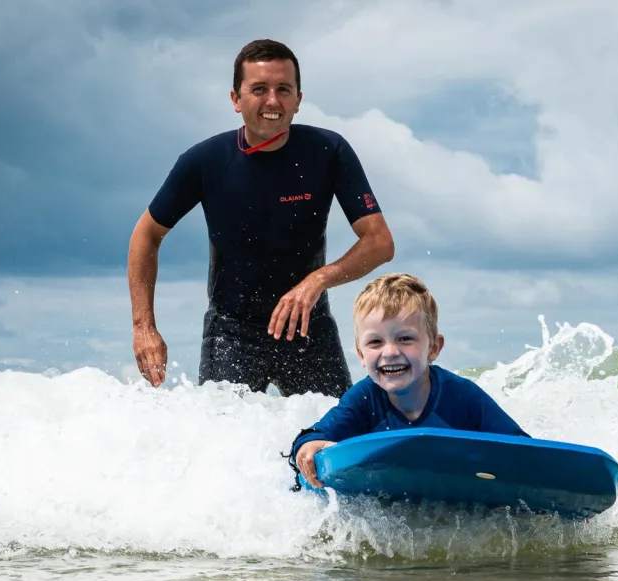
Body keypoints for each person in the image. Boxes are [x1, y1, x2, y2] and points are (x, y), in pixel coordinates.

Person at [127, 38, 394, 397]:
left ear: (298, 99)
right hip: (232, 333)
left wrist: (317, 281)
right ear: (236, 99)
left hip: (308, 329)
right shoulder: (205, 162)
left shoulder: (328, 152)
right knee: (224, 442)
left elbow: (379, 242)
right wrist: (144, 327)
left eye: (284, 89)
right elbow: (147, 235)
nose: (272, 101)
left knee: (336, 441)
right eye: (259, 89)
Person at [287, 273, 530, 489]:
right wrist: (307, 449)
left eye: (405, 339)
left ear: (434, 347)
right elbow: (313, 437)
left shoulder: (462, 396)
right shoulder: (364, 399)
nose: (390, 352)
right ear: (361, 354)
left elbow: (521, 449)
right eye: (375, 343)